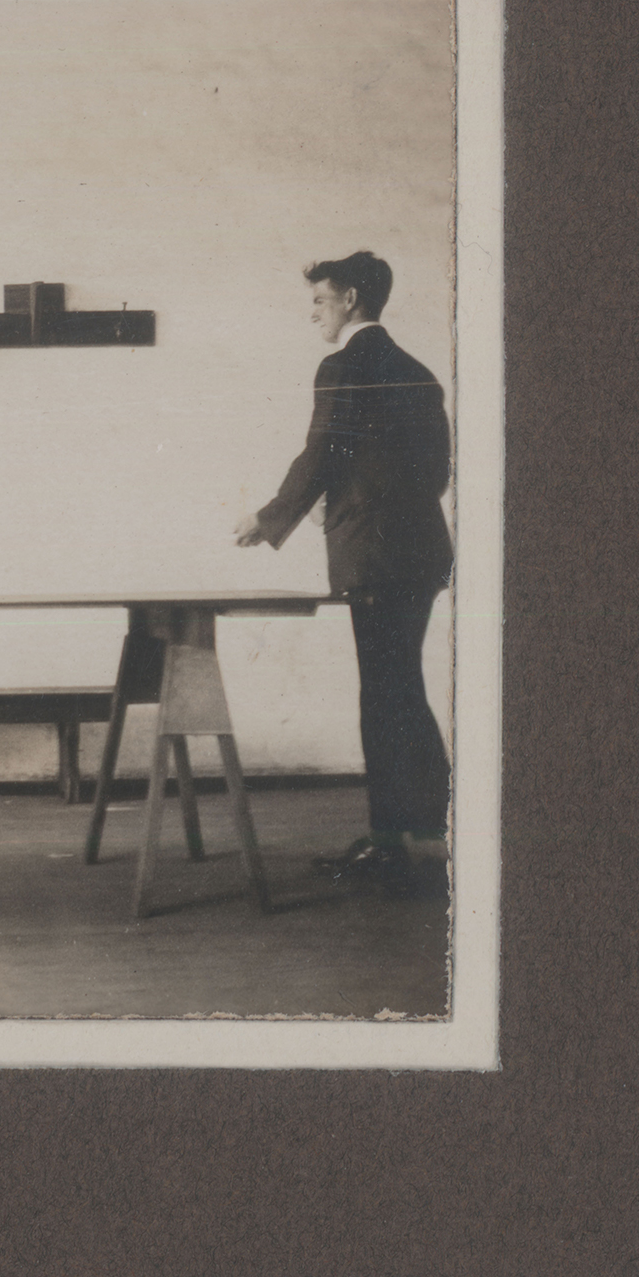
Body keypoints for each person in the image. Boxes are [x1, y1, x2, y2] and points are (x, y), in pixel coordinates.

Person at [235, 252, 453, 892]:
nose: (314, 314)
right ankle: (423, 832)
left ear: (351, 298)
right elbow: (433, 476)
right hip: (420, 554)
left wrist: (269, 517)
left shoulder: (343, 366)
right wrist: (358, 499)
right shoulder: (417, 372)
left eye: (321, 302)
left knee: (384, 693)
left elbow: (323, 449)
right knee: (399, 688)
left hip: (373, 557)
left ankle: (395, 843)